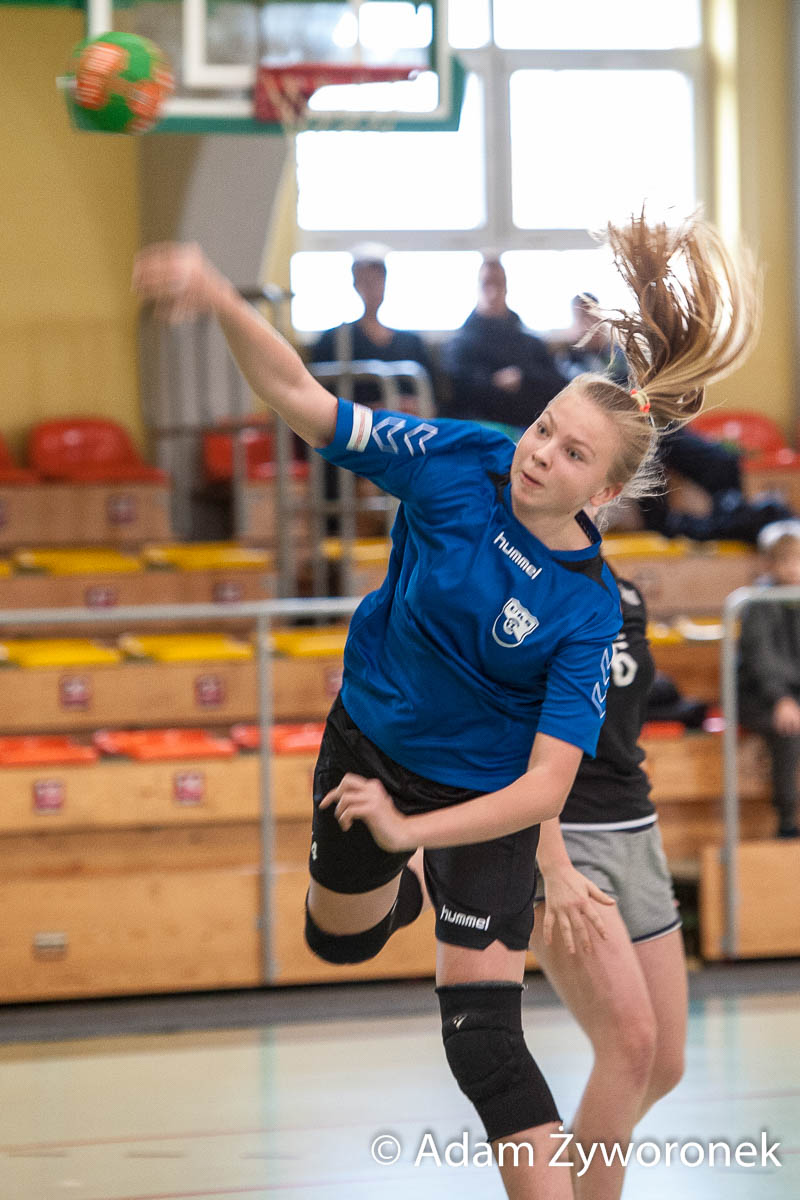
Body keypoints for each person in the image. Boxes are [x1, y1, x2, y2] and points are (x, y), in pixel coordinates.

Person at [133, 212, 759, 1200]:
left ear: (602, 492)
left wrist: (413, 829)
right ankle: (392, 889)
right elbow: (301, 398)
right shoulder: (461, 459)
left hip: (480, 801)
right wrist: (216, 293)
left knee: (484, 1043)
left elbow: (545, 788)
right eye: (543, 428)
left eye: (570, 454)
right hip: (368, 748)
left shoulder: (586, 608)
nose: (540, 454)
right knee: (337, 937)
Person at [531, 569, 687, 1200]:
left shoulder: (624, 593)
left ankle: (556, 1183)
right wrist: (550, 863)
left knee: (665, 1063)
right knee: (629, 1044)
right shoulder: (517, 585)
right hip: (562, 833)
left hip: (636, 831)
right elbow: (507, 736)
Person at [438, 256, 567, 435]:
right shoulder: (461, 344)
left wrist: (523, 377)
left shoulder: (531, 343)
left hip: (531, 428)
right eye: (486, 284)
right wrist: (493, 382)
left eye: (498, 283)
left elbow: (557, 383)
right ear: (478, 287)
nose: (493, 291)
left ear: (506, 287)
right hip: (480, 429)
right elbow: (456, 388)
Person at [309, 242, 437, 411]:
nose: (373, 289)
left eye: (378, 280)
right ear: (355, 284)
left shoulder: (412, 343)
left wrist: (413, 406)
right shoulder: (334, 341)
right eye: (366, 282)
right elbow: (321, 404)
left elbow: (433, 401)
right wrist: (379, 409)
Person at [737, 519, 800, 838]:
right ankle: (786, 822)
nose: (794, 568)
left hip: (792, 694)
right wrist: (781, 698)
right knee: (789, 729)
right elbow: (762, 659)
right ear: (770, 564)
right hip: (759, 696)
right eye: (786, 560)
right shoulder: (757, 603)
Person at [546, 292, 629, 386]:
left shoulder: (619, 352)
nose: (590, 325)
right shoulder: (567, 359)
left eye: (594, 316)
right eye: (583, 317)